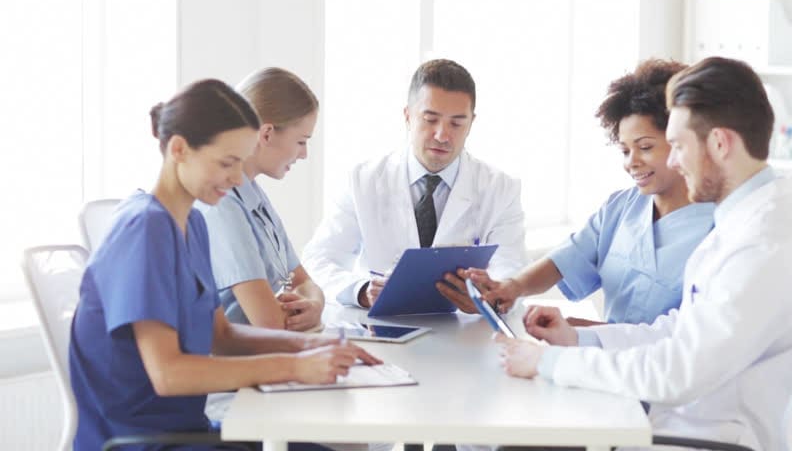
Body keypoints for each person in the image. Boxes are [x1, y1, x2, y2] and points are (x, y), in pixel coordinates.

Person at [498, 57, 792, 450]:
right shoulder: (742, 223)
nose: (672, 161)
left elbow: (677, 371)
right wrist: (576, 339)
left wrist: (548, 363)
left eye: (676, 146)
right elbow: (677, 332)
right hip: (677, 424)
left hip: (707, 440)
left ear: (720, 143)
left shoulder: (765, 244)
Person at [69, 79, 379, 451]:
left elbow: (224, 336)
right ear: (179, 149)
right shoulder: (145, 228)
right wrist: (296, 367)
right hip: (143, 442)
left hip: (189, 429)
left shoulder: (192, 224)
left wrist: (315, 348)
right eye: (227, 163)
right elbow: (168, 374)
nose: (236, 179)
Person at [467, 59, 714, 326]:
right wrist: (512, 287)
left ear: (681, 141)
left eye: (645, 147)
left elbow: (693, 335)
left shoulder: (718, 226)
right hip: (605, 362)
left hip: (664, 364)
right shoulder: (622, 207)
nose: (631, 162)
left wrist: (587, 333)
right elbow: (567, 258)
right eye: (624, 150)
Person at [302, 59, 526, 312]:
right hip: (380, 328)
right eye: (430, 119)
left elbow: (511, 268)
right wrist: (363, 290)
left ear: (471, 123)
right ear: (408, 116)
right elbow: (318, 260)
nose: (442, 135)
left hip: (465, 333)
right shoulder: (363, 181)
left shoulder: (501, 189)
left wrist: (489, 291)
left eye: (456, 123)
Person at [197, 67, 324, 330]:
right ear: (266, 134)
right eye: (301, 141)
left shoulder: (252, 192)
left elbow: (303, 280)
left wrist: (313, 306)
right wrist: (300, 312)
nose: (304, 155)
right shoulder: (223, 204)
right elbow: (269, 323)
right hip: (236, 358)